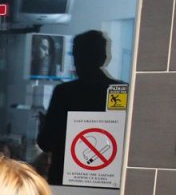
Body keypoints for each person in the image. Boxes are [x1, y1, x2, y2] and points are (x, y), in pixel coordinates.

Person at [37, 30, 125, 185]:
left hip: (65, 179)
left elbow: (46, 142)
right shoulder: (119, 91)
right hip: (106, 179)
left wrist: (43, 125)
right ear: (104, 57)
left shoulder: (64, 93)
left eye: (76, 56)